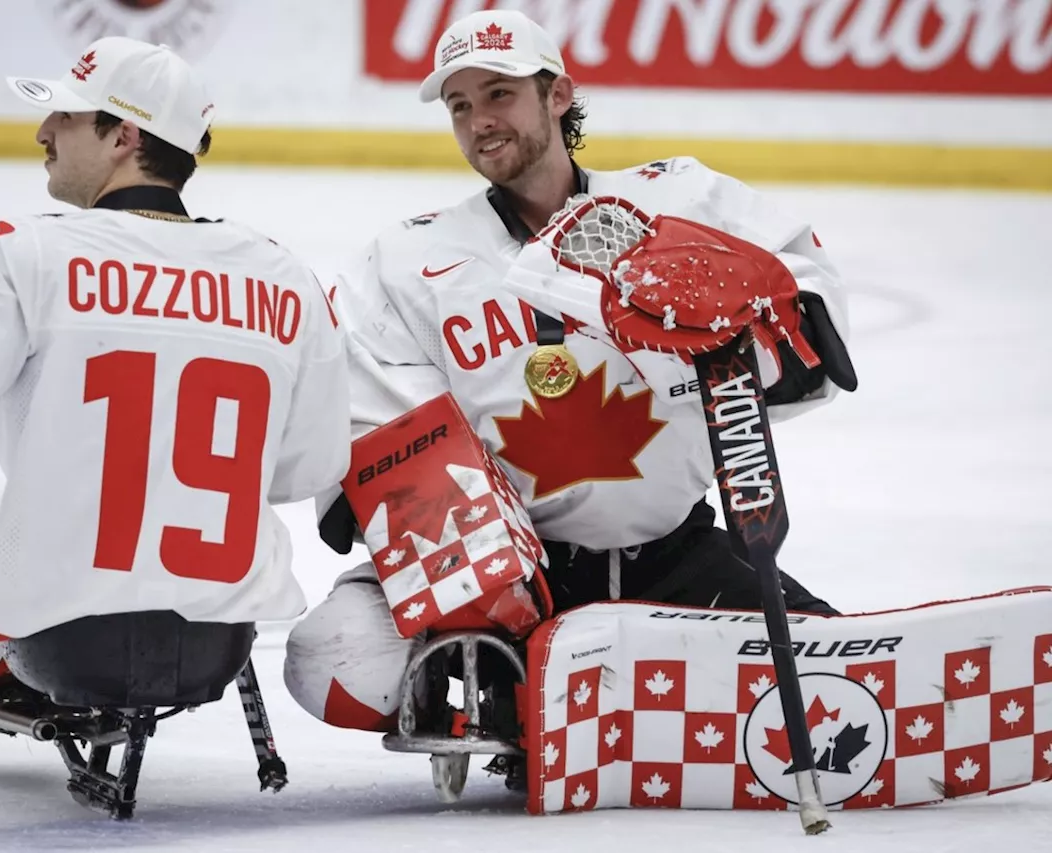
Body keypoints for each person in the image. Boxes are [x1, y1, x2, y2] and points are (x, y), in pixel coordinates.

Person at [283, 10, 858, 734]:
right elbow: (369, 432)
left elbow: (811, 331)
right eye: (460, 106)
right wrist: (470, 580)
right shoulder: (406, 258)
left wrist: (739, 327)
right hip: (513, 583)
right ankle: (508, 688)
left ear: (558, 95)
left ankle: (570, 696)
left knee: (845, 685)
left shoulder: (679, 200)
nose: (478, 122)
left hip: (671, 556)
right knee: (331, 657)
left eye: (499, 94)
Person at [0, 36, 349, 731]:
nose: (43, 131)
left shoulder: (26, 254)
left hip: (59, 640)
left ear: (125, 135)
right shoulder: (283, 276)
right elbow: (307, 467)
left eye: (68, 116)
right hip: (216, 644)